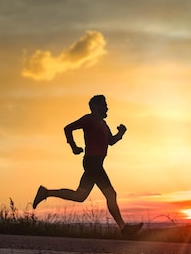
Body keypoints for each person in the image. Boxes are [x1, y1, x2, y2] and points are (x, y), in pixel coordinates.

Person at [32, 95, 143, 238]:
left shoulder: (103, 124)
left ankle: (45, 192)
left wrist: (121, 133)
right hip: (92, 163)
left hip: (95, 163)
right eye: (104, 105)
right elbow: (68, 128)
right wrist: (73, 146)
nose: (107, 108)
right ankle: (124, 228)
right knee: (111, 194)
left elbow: (111, 141)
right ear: (95, 107)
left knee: (79, 196)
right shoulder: (89, 119)